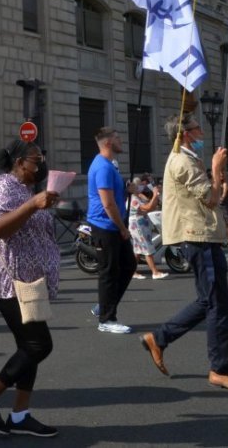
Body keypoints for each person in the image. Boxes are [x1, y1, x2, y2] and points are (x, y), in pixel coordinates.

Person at [139, 113, 228, 392]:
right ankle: (219, 369)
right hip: (198, 237)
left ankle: (159, 338)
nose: (202, 131)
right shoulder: (182, 161)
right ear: (186, 134)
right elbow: (211, 198)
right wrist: (216, 170)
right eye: (197, 128)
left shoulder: (188, 158)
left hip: (204, 236)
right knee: (217, 303)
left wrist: (216, 173)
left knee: (212, 301)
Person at [0, 138, 60, 437]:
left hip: (28, 279)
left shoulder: (25, 189)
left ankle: (20, 415)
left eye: (41, 157)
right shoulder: (4, 186)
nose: (40, 163)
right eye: (36, 159)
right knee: (38, 344)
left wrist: (43, 205)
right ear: (19, 163)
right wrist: (33, 205)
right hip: (6, 279)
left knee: (28, 347)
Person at [86, 126, 136, 334]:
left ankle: (104, 305)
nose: (121, 140)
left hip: (113, 225)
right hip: (106, 226)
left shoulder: (109, 166)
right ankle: (107, 320)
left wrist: (126, 190)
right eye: (117, 138)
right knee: (108, 272)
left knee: (129, 265)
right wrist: (122, 228)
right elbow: (108, 204)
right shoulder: (103, 167)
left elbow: (113, 196)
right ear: (108, 143)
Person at [127, 174, 167, 280]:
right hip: (137, 226)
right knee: (146, 247)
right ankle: (155, 272)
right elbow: (148, 207)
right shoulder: (132, 199)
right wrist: (154, 195)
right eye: (137, 186)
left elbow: (151, 205)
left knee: (137, 250)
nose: (139, 187)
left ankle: (132, 271)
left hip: (142, 224)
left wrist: (155, 195)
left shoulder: (137, 196)